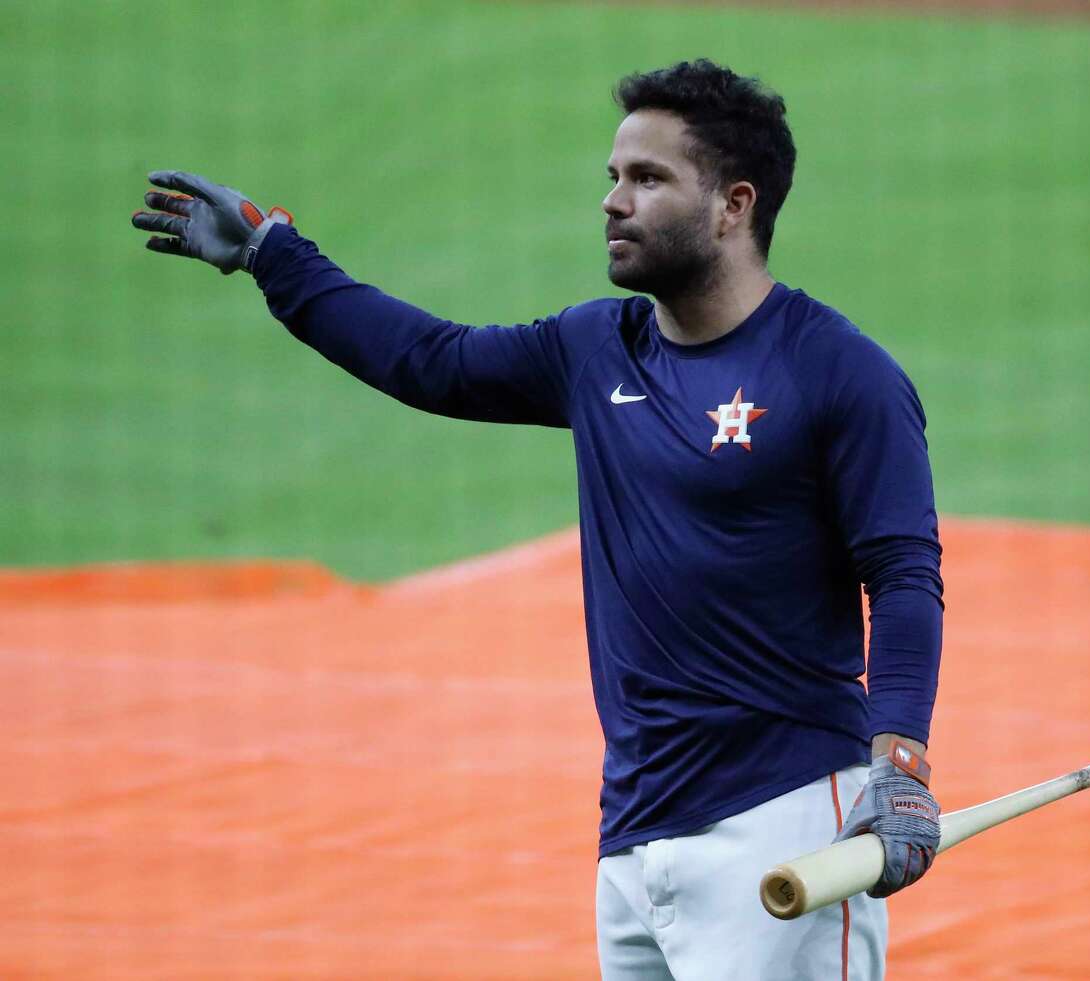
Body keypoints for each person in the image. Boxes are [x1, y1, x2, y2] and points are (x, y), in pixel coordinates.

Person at [132, 59, 943, 981]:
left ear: (733, 205)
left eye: (648, 179)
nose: (613, 201)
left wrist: (901, 764)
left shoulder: (841, 373)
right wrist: (276, 255)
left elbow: (905, 573)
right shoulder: (597, 347)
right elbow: (429, 361)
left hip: (785, 822)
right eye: (613, 177)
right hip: (634, 839)